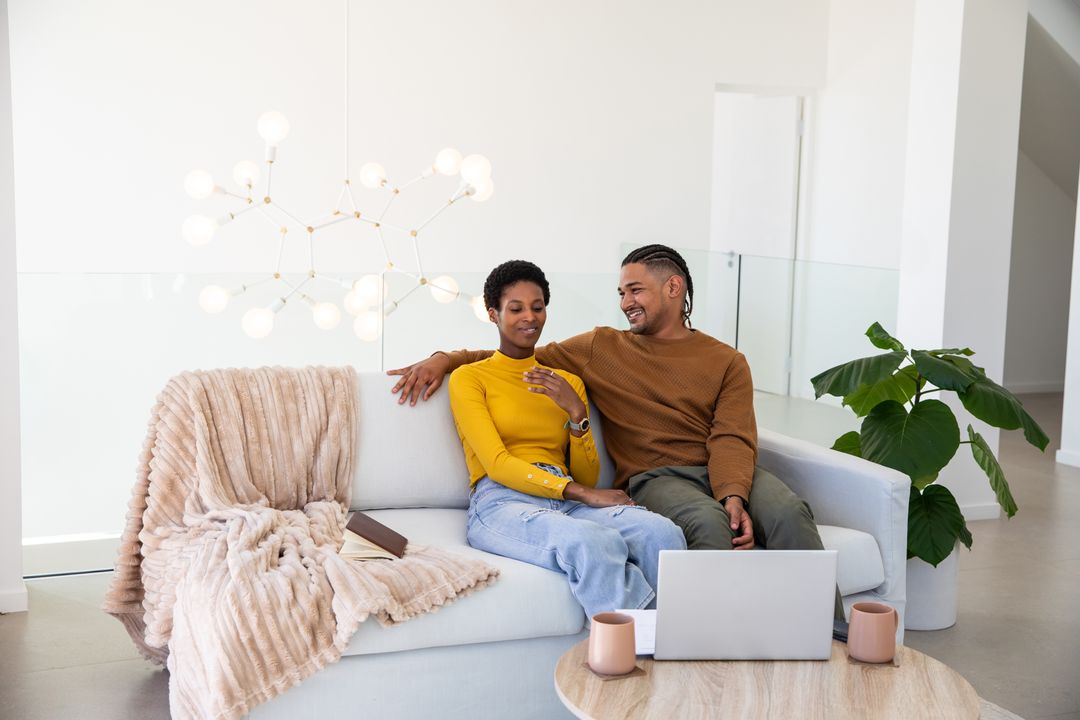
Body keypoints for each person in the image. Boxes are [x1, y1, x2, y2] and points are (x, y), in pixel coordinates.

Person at [392, 245, 844, 621]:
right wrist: (444, 358)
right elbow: (516, 354)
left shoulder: (726, 360)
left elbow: (732, 437)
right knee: (705, 525)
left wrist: (734, 496)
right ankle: (710, 645)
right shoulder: (601, 347)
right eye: (621, 292)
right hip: (655, 476)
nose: (625, 301)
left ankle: (831, 637)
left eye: (635, 290)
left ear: (673, 288)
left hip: (717, 469)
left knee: (788, 512)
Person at [448, 259, 686, 620]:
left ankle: (671, 644)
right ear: (493, 314)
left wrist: (577, 414)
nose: (530, 317)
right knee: (593, 541)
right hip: (502, 502)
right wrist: (582, 493)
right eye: (516, 308)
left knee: (661, 533)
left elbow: (587, 475)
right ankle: (631, 654)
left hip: (566, 498)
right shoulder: (470, 378)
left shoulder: (567, 383)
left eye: (538, 307)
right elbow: (497, 464)